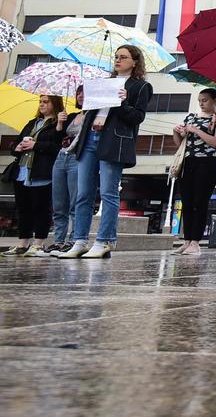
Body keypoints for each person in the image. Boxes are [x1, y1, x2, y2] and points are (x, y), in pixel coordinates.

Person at [61, 43, 154, 259]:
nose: (118, 60)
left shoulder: (141, 87)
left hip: (113, 141)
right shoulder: (104, 82)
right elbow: (90, 111)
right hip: (90, 138)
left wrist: (122, 102)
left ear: (135, 62)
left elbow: (137, 117)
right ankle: (79, 240)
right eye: (116, 56)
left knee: (108, 193)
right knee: (83, 194)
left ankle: (104, 240)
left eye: (123, 57)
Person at [4, 94, 62, 256]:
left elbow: (57, 147)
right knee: (23, 208)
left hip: (41, 171)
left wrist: (36, 145)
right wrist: (17, 147)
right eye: (40, 102)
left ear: (54, 103)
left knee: (41, 207)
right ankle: (23, 243)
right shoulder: (32, 122)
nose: (42, 105)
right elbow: (16, 142)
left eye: (46, 102)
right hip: (22, 169)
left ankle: (39, 243)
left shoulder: (58, 124)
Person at [172, 87, 216, 256]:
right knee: (187, 202)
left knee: (200, 202)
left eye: (205, 100)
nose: (202, 104)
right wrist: (177, 132)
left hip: (207, 162)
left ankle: (196, 241)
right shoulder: (191, 117)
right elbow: (180, 144)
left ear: (215, 101)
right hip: (188, 161)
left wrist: (196, 130)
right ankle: (187, 240)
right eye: (200, 101)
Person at [39, 87, 84, 256]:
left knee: (75, 202)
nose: (80, 96)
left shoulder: (93, 117)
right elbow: (58, 140)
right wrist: (59, 123)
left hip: (77, 158)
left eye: (84, 93)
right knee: (59, 203)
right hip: (61, 157)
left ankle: (73, 240)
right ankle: (58, 241)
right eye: (78, 93)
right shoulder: (71, 116)